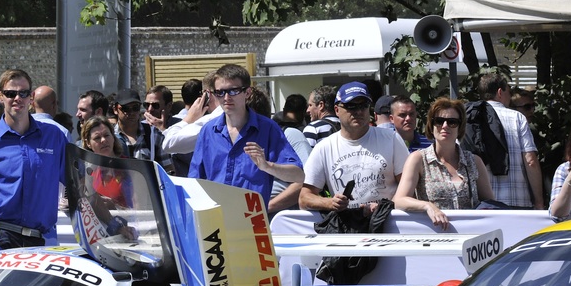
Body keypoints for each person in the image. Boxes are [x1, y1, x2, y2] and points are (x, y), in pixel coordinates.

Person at [0, 68, 69, 246]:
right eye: (10, 93)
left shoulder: (54, 136)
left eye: (23, 93)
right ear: (0, 96)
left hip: (43, 240)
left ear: (31, 97)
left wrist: (112, 223)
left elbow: (78, 184)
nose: (17, 98)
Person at [188, 63, 304, 211]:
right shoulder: (208, 131)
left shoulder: (268, 129)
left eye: (234, 91)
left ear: (247, 93)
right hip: (214, 219)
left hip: (252, 221)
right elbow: (193, 181)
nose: (226, 97)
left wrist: (267, 166)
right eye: (220, 92)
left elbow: (298, 176)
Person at [300, 81, 409, 213]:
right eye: (351, 106)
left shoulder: (391, 139)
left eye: (363, 105)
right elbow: (304, 198)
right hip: (347, 228)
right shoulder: (324, 148)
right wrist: (330, 202)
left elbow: (409, 186)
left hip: (386, 223)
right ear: (337, 110)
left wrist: (385, 207)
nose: (358, 111)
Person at [392, 97, 494, 229]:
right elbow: (399, 200)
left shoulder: (474, 161)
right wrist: (427, 206)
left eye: (452, 122)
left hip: (470, 235)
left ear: (460, 127)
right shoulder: (418, 159)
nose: (445, 126)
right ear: (431, 125)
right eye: (439, 121)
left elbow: (490, 204)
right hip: (434, 235)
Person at [478, 73, 544, 208]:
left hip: (482, 204)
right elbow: (530, 160)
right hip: (517, 200)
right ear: (500, 92)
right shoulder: (517, 117)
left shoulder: (470, 118)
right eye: (508, 91)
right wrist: (539, 201)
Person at [111, 89, 166, 165]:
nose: (132, 113)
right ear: (115, 109)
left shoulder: (154, 135)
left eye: (135, 108)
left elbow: (167, 168)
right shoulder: (109, 136)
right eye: (126, 108)